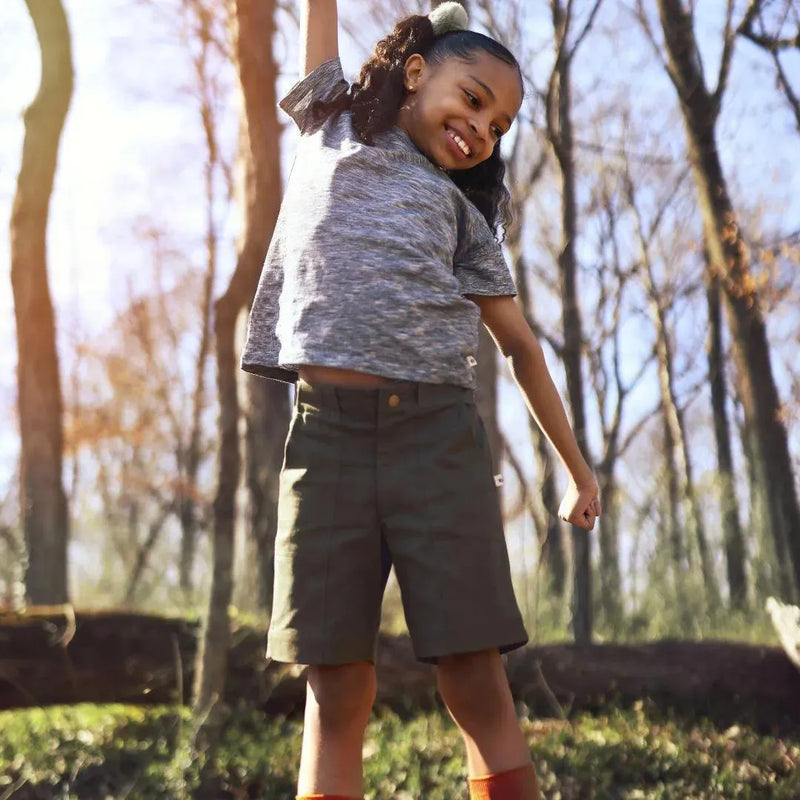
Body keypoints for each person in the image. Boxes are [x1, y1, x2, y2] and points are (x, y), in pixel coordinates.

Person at [241, 2, 600, 798]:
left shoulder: (463, 214)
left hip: (435, 442)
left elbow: (522, 349)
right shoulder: (328, 119)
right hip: (324, 444)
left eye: (500, 125)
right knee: (334, 689)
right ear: (414, 72)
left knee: (474, 678)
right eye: (472, 99)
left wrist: (577, 470)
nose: (482, 129)